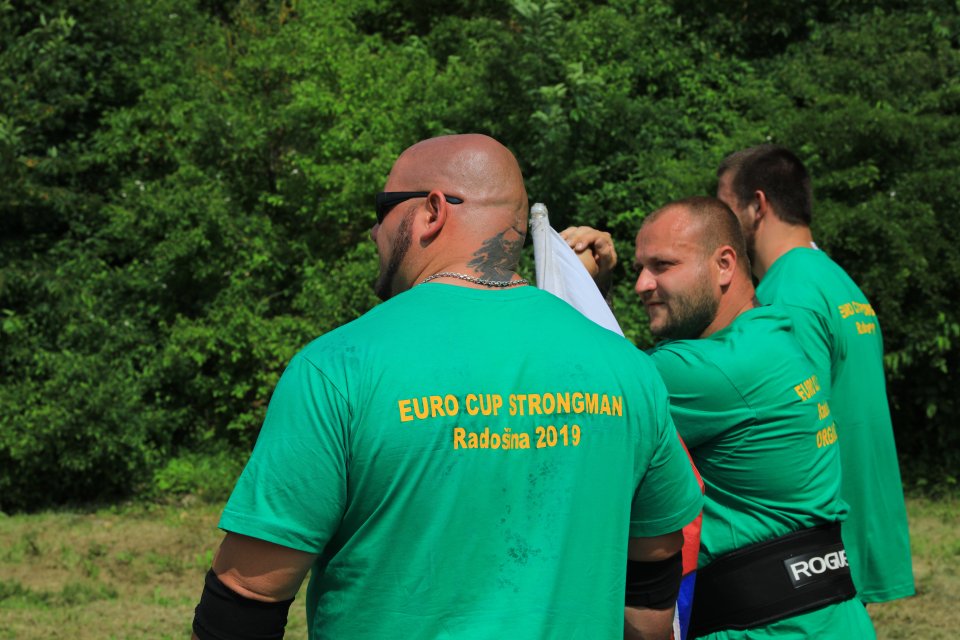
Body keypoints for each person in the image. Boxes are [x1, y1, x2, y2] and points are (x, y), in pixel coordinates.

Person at [191, 133, 704, 640]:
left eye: (382, 209)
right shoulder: (628, 369)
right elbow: (653, 575)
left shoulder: (337, 367)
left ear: (432, 211)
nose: (373, 231)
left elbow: (246, 599)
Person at [633, 197, 875, 638]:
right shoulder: (771, 334)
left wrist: (585, 286)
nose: (642, 284)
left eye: (662, 265)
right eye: (639, 268)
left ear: (724, 264)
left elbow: (590, 392)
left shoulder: (716, 369)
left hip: (768, 628)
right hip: (826, 618)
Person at [716, 144, 914, 604]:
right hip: (855, 532)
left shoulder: (784, 296)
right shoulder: (836, 280)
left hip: (817, 555)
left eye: (724, 207)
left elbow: (792, 435)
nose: (718, 223)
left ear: (757, 205)